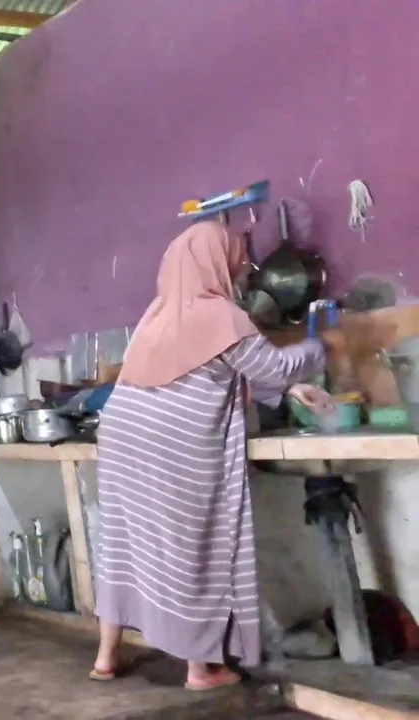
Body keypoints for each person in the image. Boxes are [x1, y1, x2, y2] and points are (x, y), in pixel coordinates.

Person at [90, 221, 335, 691]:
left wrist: (289, 388)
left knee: (123, 542)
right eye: (237, 257)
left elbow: (220, 369)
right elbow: (272, 365)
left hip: (121, 436)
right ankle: (200, 670)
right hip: (170, 443)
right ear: (215, 262)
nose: (242, 268)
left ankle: (105, 657)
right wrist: (321, 347)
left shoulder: (159, 312)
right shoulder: (221, 315)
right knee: (191, 546)